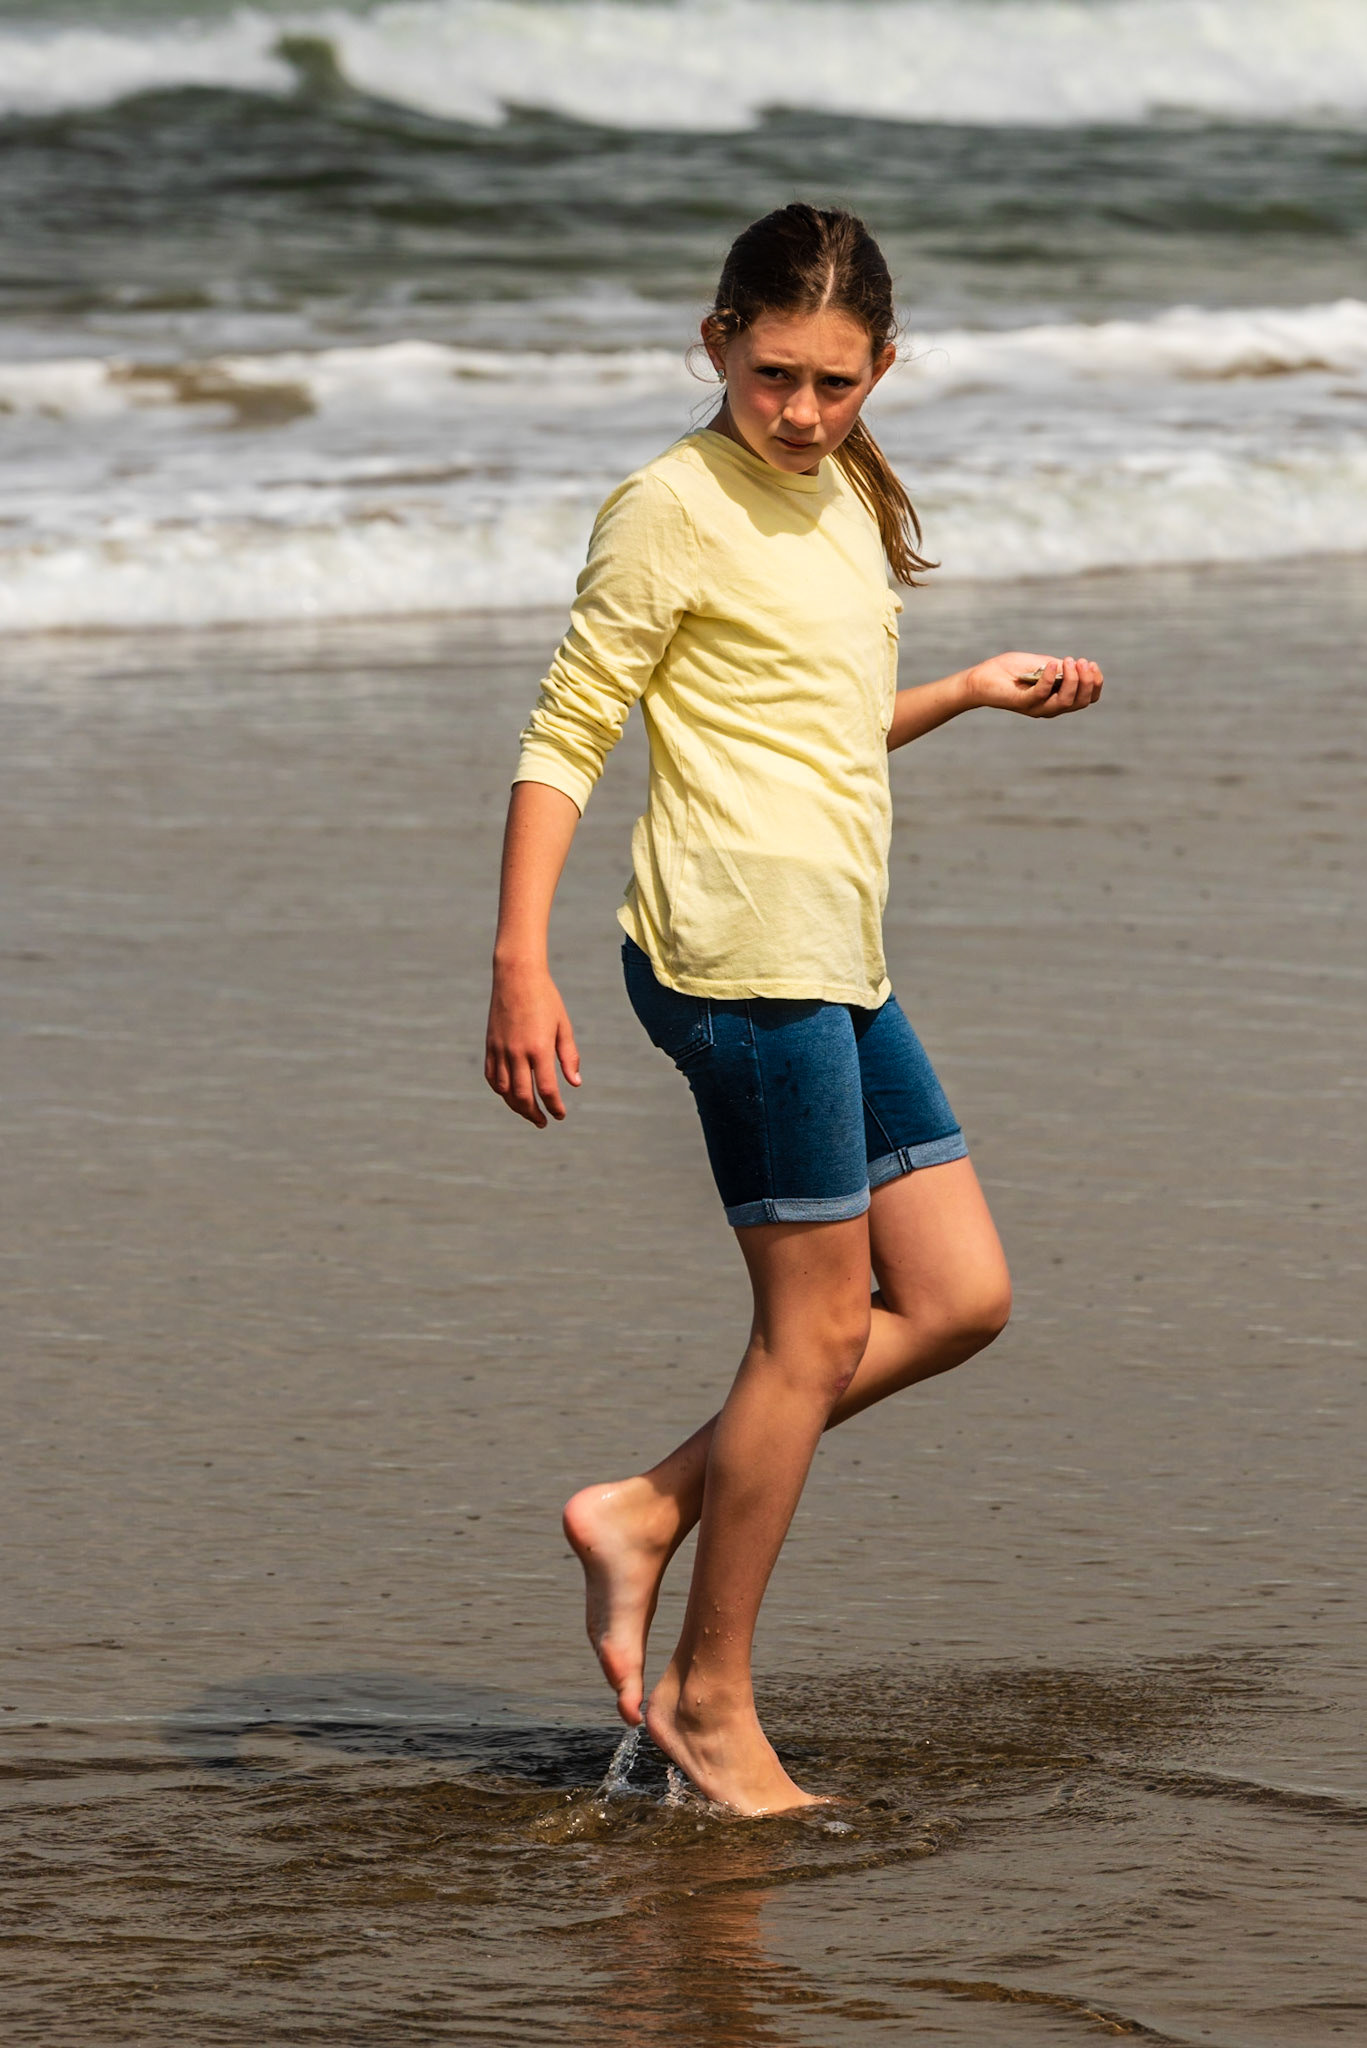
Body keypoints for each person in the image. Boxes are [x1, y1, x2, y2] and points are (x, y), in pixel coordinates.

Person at [485, 204, 1103, 1816]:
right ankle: (705, 1698)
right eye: (774, 377)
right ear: (716, 346)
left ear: (882, 367)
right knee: (815, 1329)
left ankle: (645, 1508)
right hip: (735, 961)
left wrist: (964, 691)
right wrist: (518, 960)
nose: (803, 412)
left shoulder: (842, 493)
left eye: (836, 382)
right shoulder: (668, 509)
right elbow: (568, 734)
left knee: (959, 1296)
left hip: (837, 954)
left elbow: (813, 728)